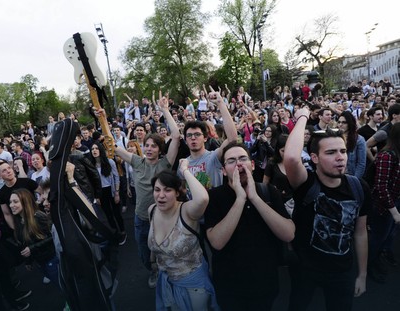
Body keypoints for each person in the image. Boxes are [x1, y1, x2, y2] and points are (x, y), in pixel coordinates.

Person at [284, 107, 370, 311]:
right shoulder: (306, 184)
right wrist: (303, 116)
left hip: (342, 271)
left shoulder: (359, 187)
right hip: (305, 269)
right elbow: (291, 159)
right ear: (314, 158)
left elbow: (360, 233)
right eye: (330, 152)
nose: (340, 157)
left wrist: (362, 274)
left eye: (342, 151)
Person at [204, 142, 295, 310]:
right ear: (223, 171)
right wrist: (240, 199)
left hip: (265, 283)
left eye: (242, 158)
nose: (238, 163)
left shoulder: (269, 191)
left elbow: (288, 234)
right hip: (229, 286)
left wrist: (254, 198)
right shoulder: (213, 197)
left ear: (252, 165)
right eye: (231, 161)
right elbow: (217, 242)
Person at [103, 93, 180, 288]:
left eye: (154, 146)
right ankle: (153, 271)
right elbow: (111, 144)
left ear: (160, 149)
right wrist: (103, 119)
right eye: (146, 145)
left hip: (164, 218)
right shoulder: (136, 161)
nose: (149, 149)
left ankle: (169, 272)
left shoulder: (165, 163)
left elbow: (177, 136)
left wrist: (164, 110)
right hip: (141, 218)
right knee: (144, 253)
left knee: (168, 249)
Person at [149, 159, 218, 310]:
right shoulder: (152, 210)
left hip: (194, 286)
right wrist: (154, 263)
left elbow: (203, 198)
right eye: (157, 189)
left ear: (178, 192)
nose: (161, 195)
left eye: (167, 190)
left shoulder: (186, 211)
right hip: (167, 282)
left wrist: (185, 170)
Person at [184, 91, 238, 190]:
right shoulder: (183, 165)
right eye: (189, 135)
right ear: (185, 140)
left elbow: (233, 139)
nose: (193, 138)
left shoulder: (213, 157)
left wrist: (220, 103)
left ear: (205, 138)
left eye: (197, 134)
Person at [367, 122, 400, 283]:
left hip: (393, 201)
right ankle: (369, 266)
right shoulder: (387, 155)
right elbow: (381, 186)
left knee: (384, 236)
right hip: (381, 206)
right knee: (377, 237)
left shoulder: (397, 153)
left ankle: (376, 260)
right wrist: (394, 211)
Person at [9, 188, 59, 286]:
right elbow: (26, 243)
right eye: (10, 202)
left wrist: (31, 249)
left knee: (62, 284)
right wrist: (29, 261)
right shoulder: (19, 220)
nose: (11, 205)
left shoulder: (38, 216)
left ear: (25, 202)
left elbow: (52, 237)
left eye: (15, 202)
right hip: (40, 261)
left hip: (51, 258)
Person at [90, 142, 126, 245]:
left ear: (100, 150)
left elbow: (116, 177)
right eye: (92, 149)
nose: (94, 150)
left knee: (116, 213)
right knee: (108, 214)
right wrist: (96, 196)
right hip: (101, 193)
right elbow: (92, 182)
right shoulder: (91, 165)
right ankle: (115, 231)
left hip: (111, 190)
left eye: (96, 148)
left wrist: (117, 193)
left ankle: (123, 232)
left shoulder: (110, 162)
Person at [337, 111, 366, 178]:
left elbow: (361, 164)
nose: (340, 124)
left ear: (350, 124)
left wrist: (354, 180)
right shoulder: (334, 138)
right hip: (336, 175)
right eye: (339, 122)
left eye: (344, 122)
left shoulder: (359, 140)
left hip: (351, 175)